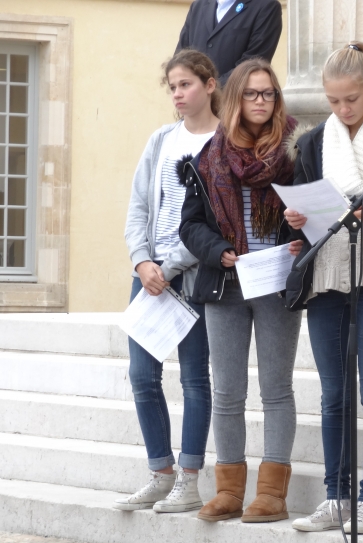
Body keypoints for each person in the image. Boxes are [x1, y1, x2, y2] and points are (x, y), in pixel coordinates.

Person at [285, 42, 363, 535]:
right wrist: (296, 221)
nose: (342, 110)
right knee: (334, 394)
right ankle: (335, 497)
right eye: (334, 101)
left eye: (350, 100)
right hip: (327, 275)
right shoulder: (314, 142)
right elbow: (304, 207)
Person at [179, 58, 302, 522]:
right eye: (251, 94)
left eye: (267, 93)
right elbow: (190, 226)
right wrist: (218, 251)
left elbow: (319, 209)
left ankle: (271, 492)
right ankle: (228, 490)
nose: (260, 102)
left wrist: (301, 232)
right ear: (233, 98)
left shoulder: (298, 149)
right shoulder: (208, 157)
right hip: (227, 283)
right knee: (226, 391)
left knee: (276, 389)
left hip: (277, 281)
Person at [116, 50, 220, 514]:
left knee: (196, 377)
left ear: (210, 85)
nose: (178, 94)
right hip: (150, 275)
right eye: (173, 87)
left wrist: (172, 265)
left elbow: (217, 222)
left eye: (186, 85)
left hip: (193, 276)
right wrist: (142, 262)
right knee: (142, 375)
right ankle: (160, 473)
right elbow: (139, 206)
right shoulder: (161, 139)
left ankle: (190, 478)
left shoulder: (223, 143)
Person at [176, 0, 282, 86]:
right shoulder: (197, 7)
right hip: (195, 106)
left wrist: (210, 89)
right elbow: (180, 57)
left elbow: (252, 63)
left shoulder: (266, 6)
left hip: (233, 105)